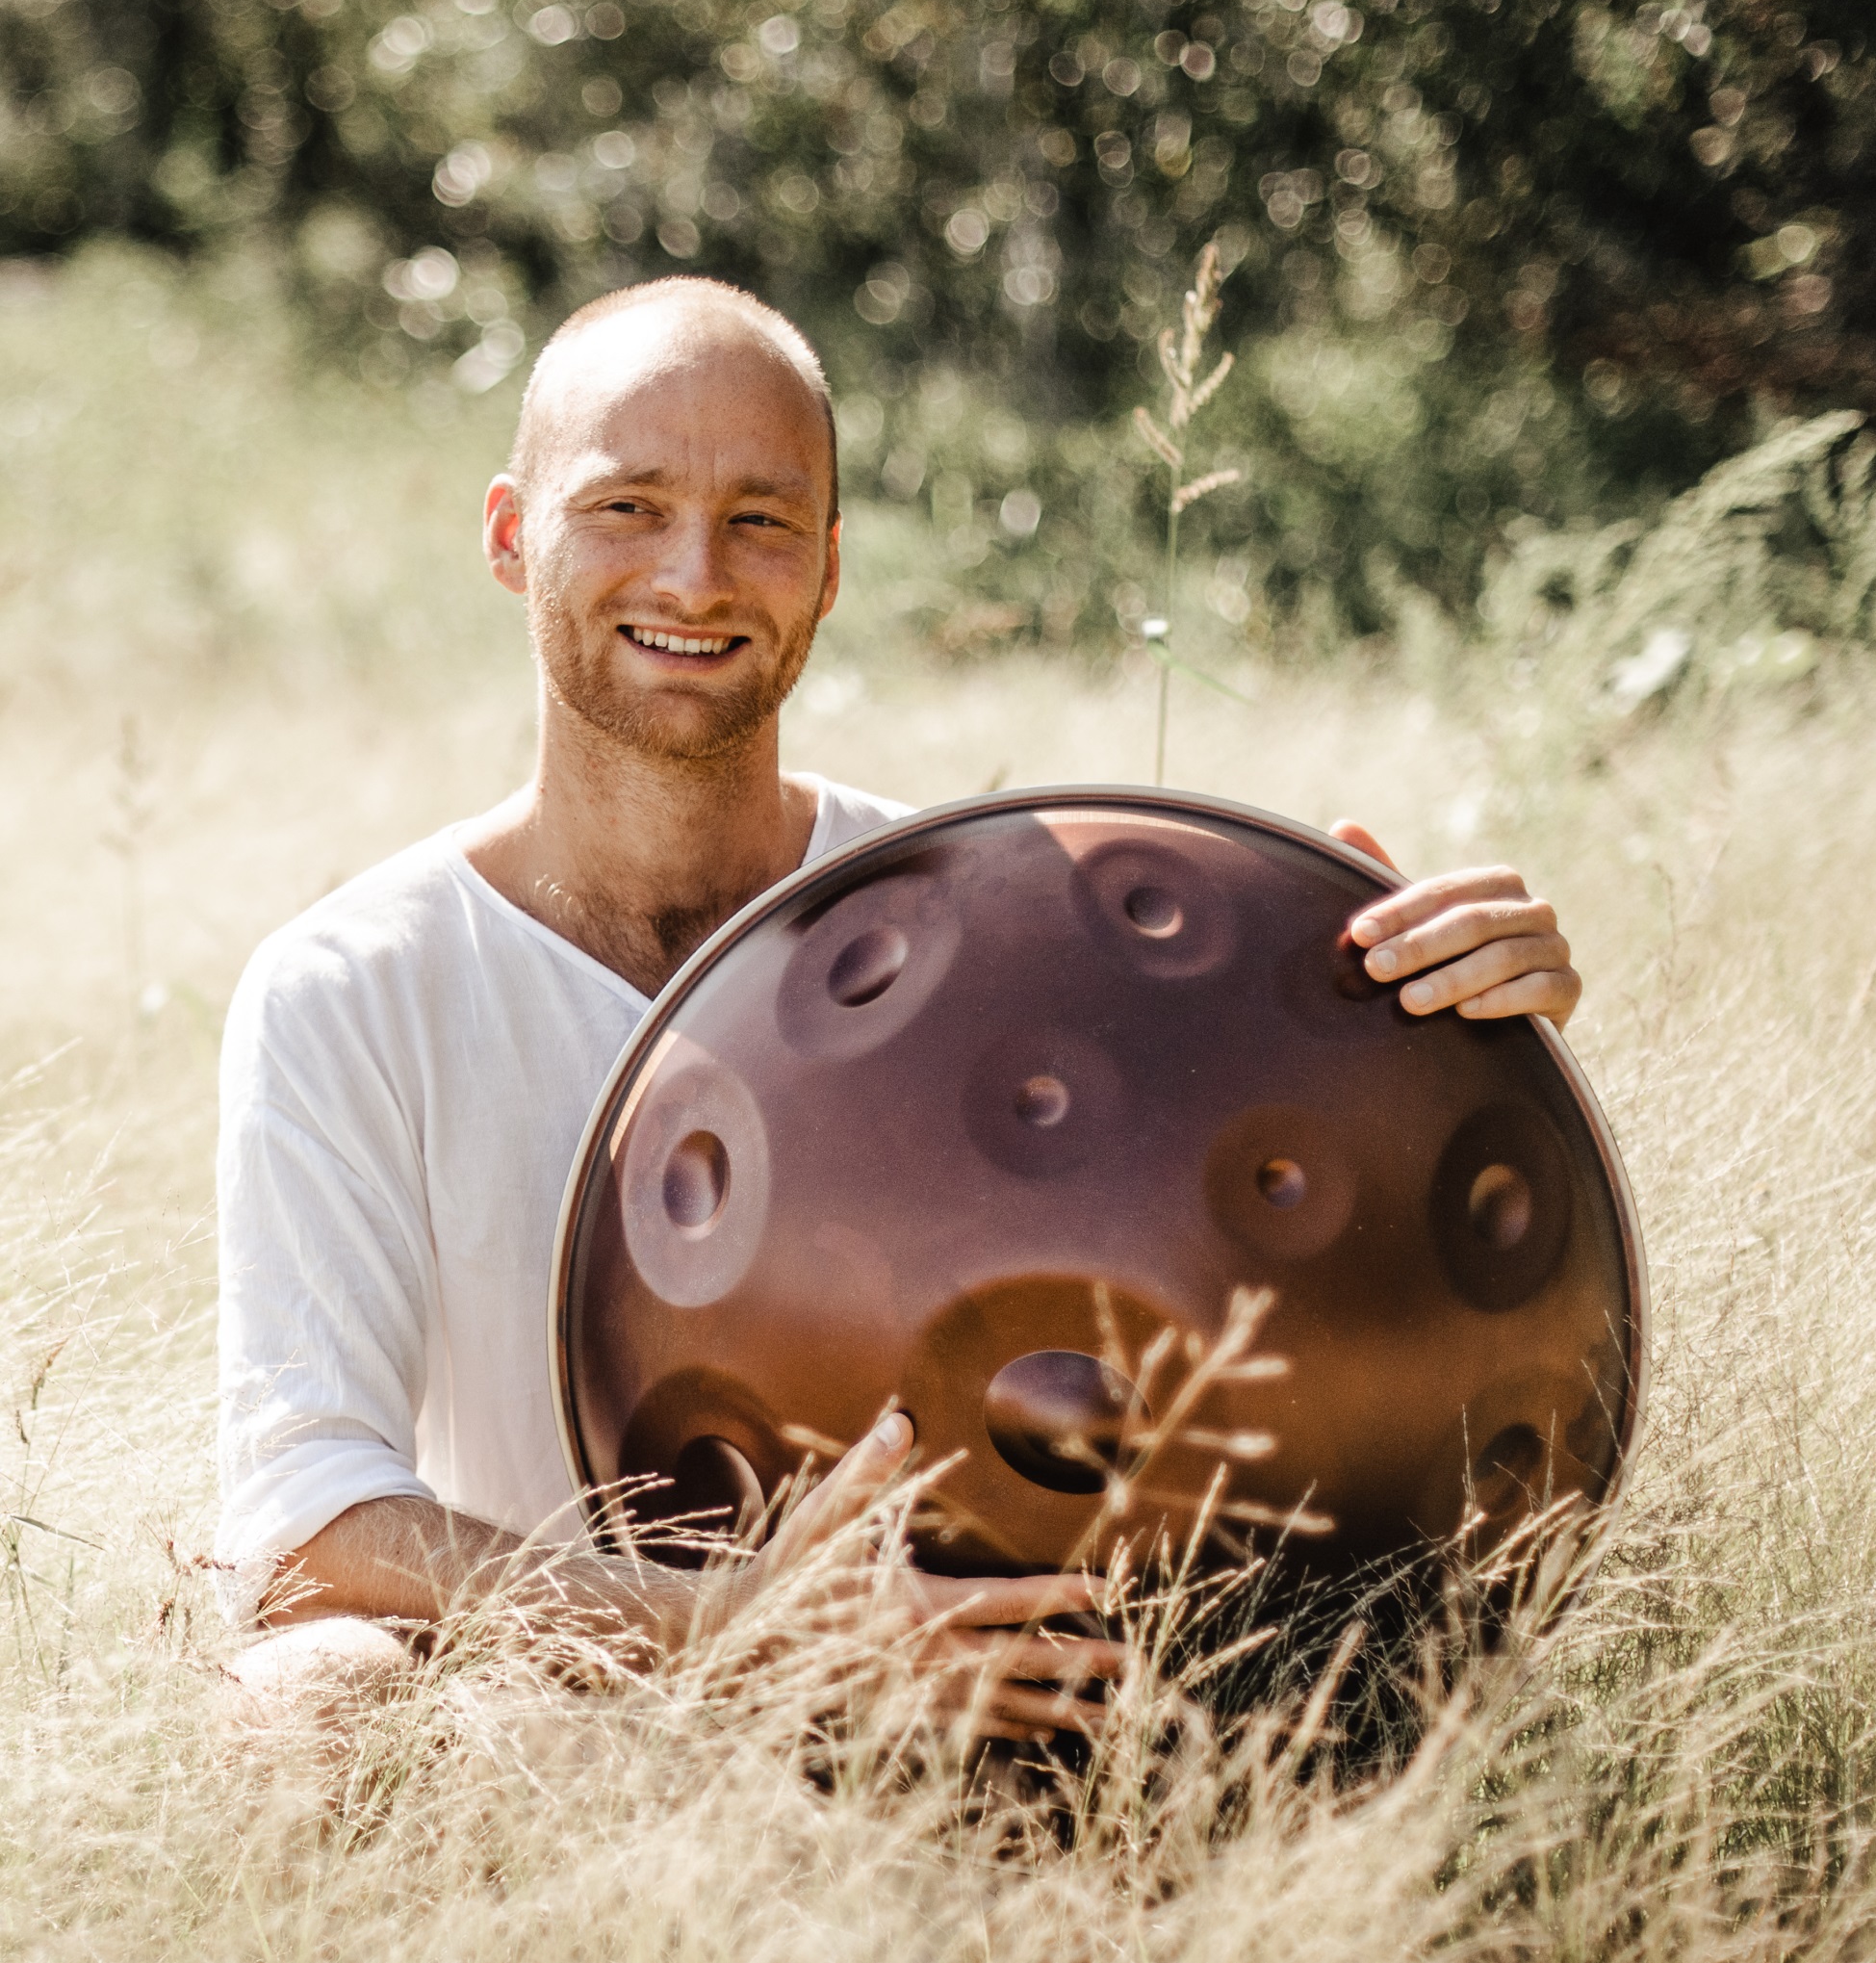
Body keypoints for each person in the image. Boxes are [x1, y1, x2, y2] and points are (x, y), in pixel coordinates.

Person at [216, 276, 1580, 1733]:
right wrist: (734, 1628)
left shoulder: (982, 920)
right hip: (561, 1714)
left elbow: (1267, 1183)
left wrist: (1407, 1007)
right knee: (302, 1700)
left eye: (761, 518)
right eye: (627, 506)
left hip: (985, 1713)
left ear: (828, 563)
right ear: (508, 535)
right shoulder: (350, 986)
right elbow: (302, 1530)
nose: (694, 575)